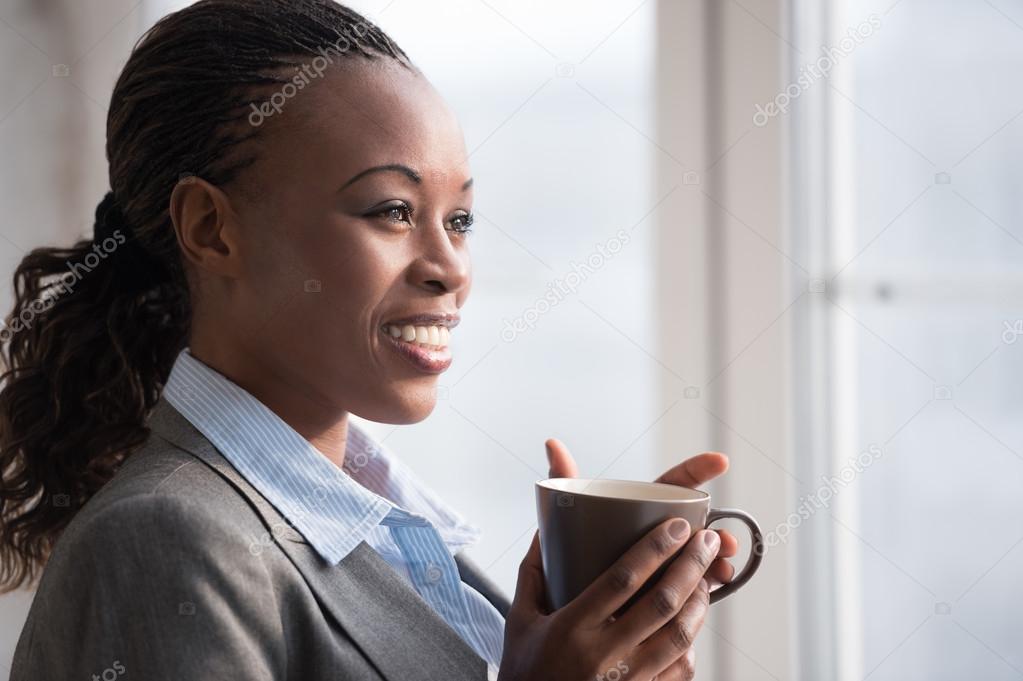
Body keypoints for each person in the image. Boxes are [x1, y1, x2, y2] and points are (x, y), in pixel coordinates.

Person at [0, 1, 738, 678]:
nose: (450, 268)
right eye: (391, 209)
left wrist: (597, 625)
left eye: (459, 220)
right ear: (210, 228)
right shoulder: (166, 538)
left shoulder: (394, 533)